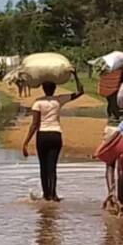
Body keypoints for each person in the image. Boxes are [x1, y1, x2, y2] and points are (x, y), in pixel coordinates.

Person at [22, 71, 85, 202]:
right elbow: (80, 92)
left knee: (43, 167)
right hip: (56, 135)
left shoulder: (38, 103)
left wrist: (26, 142)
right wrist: (75, 75)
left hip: (43, 136)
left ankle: (46, 196)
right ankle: (54, 195)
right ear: (54, 89)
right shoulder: (59, 100)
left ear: (43, 89)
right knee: (52, 167)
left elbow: (34, 124)